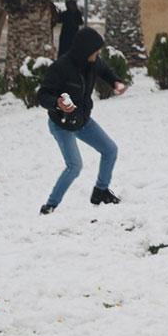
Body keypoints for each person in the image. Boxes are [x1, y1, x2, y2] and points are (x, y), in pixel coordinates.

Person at [35, 27, 127, 214]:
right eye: (95, 51)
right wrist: (58, 103)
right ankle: (50, 206)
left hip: (82, 120)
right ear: (85, 50)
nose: (98, 54)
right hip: (61, 124)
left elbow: (105, 71)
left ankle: (100, 191)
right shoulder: (61, 67)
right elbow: (43, 95)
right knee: (74, 166)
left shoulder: (93, 63)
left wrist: (115, 82)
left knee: (110, 150)